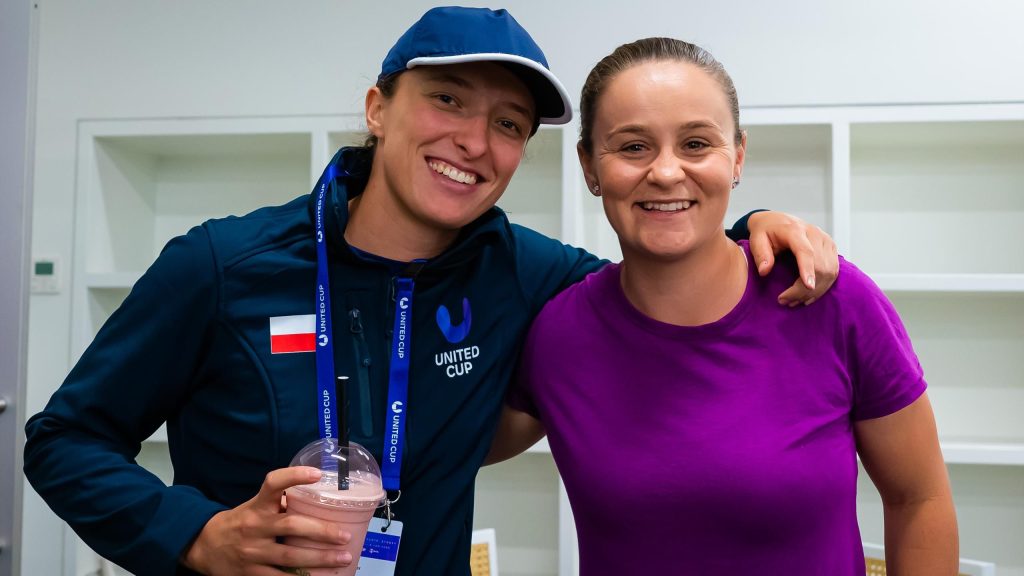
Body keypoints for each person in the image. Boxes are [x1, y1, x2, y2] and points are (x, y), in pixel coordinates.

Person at [23, 9, 839, 576]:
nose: (474, 141)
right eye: (447, 99)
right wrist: (196, 534)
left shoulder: (523, 272)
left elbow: (657, 278)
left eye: (509, 123)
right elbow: (64, 440)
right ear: (378, 108)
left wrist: (752, 228)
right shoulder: (221, 265)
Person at [492, 37, 958, 574]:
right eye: (633, 147)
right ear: (589, 166)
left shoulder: (831, 300)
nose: (666, 172)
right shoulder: (559, 334)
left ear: (737, 156)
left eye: (696, 144)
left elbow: (919, 499)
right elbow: (449, 447)